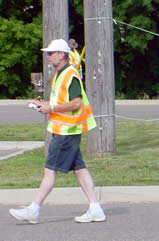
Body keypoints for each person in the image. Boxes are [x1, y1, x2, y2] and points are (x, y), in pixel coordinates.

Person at [9, 39, 105, 224]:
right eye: (48, 53)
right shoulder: (60, 74)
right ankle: (95, 209)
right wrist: (43, 105)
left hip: (66, 131)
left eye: (51, 53)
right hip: (66, 130)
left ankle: (34, 209)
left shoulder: (70, 74)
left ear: (62, 54)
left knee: (49, 170)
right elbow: (59, 102)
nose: (48, 56)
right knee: (79, 169)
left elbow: (76, 103)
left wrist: (51, 108)